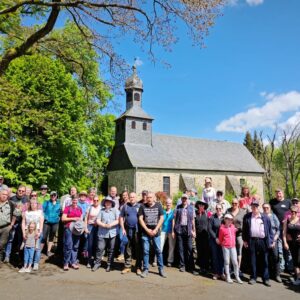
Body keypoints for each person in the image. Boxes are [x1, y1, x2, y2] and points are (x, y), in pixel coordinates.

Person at [242, 200, 274, 287]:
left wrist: (271, 241)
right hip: (252, 240)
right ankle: (253, 277)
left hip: (263, 241)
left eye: (256, 206)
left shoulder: (265, 217)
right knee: (253, 260)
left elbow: (270, 230)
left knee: (265, 260)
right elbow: (244, 230)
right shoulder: (247, 217)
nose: (254, 208)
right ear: (251, 207)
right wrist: (244, 240)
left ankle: (266, 279)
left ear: (258, 207)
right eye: (253, 206)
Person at [138, 192, 166, 278]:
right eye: (148, 197)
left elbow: (162, 218)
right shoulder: (142, 206)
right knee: (146, 251)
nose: (149, 199)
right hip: (145, 233)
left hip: (156, 232)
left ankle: (161, 269)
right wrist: (147, 229)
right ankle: (146, 269)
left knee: (158, 251)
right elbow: (140, 219)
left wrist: (156, 229)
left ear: (154, 198)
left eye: (150, 197)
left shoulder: (158, 205)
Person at [92, 197, 119, 272]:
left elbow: (118, 220)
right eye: (106, 202)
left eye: (109, 202)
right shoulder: (101, 211)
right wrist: (104, 225)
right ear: (104, 203)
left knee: (111, 250)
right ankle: (97, 264)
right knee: (100, 249)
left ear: (111, 203)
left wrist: (110, 224)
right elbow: (97, 220)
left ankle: (109, 265)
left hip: (112, 233)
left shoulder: (115, 210)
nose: (108, 203)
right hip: (102, 233)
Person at [173, 194, 197, 275]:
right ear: (181, 199)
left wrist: (194, 230)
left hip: (188, 230)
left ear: (187, 199)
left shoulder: (191, 208)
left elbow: (193, 220)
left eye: (185, 199)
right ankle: (182, 265)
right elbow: (174, 218)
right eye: (183, 198)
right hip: (179, 229)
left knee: (189, 248)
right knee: (181, 248)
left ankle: (190, 266)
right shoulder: (178, 207)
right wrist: (173, 231)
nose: (184, 200)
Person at [269, 188, 293, 272]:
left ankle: (289, 267)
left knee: (287, 247)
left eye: (280, 193)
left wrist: (287, 218)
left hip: (287, 228)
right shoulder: (272, 201)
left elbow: (291, 212)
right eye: (277, 194)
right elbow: (269, 211)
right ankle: (281, 267)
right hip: (277, 229)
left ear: (283, 193)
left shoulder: (288, 201)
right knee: (280, 248)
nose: (278, 195)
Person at [120, 192, 142, 275]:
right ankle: (127, 266)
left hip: (137, 231)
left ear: (136, 198)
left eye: (133, 197)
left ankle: (138, 267)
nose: (132, 198)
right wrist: (122, 228)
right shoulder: (125, 206)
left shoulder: (140, 206)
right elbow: (121, 217)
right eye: (131, 197)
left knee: (138, 249)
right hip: (127, 230)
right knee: (127, 249)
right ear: (129, 198)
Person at [5, 187, 29, 263]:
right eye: (19, 190)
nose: (21, 192)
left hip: (22, 223)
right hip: (12, 222)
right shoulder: (11, 199)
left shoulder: (26, 200)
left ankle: (20, 257)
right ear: (17, 191)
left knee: (21, 240)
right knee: (10, 239)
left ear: (25, 192)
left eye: (23, 191)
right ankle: (7, 256)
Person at [218, 214, 243, 284]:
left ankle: (237, 276)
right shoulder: (221, 228)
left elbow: (238, 229)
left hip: (233, 247)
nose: (230, 221)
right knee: (227, 262)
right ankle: (228, 276)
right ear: (225, 219)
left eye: (231, 219)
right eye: (228, 219)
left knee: (235, 262)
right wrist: (222, 243)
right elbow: (220, 238)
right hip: (225, 247)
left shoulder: (233, 226)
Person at [21, 197, 44, 271]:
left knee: (37, 248)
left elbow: (41, 222)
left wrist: (40, 232)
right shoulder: (26, 212)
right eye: (31, 203)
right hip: (27, 232)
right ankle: (26, 264)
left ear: (37, 204)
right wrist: (23, 232)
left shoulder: (39, 212)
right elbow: (23, 222)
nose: (33, 205)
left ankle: (36, 263)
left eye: (35, 203)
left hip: (36, 231)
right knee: (26, 248)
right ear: (29, 204)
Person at [61, 197, 83, 271]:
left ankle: (73, 262)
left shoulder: (79, 208)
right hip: (68, 228)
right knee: (68, 246)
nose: (75, 202)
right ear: (71, 201)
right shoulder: (68, 208)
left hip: (77, 229)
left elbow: (81, 218)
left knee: (75, 246)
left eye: (76, 200)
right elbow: (63, 218)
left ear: (78, 201)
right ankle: (66, 263)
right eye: (73, 200)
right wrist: (73, 218)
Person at [262, 203, 281, 283]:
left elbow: (278, 229)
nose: (266, 209)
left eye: (267, 208)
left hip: (273, 239)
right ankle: (267, 274)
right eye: (264, 208)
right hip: (263, 240)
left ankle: (277, 274)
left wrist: (274, 240)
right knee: (266, 257)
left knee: (275, 256)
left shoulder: (273, 216)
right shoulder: (261, 216)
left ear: (270, 208)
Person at [226, 198, 246, 273]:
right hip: (230, 234)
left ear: (238, 204)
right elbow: (224, 220)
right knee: (230, 251)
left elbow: (245, 223)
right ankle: (231, 269)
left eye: (236, 203)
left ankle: (238, 268)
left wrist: (239, 228)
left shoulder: (242, 212)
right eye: (233, 203)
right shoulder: (228, 211)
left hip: (239, 234)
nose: (234, 205)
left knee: (239, 252)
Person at [283, 205, 300, 285]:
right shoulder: (287, 220)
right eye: (292, 212)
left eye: (295, 212)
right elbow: (284, 233)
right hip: (292, 244)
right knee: (295, 261)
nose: (293, 213)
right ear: (290, 212)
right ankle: (298, 278)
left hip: (299, 242)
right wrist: (285, 242)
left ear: (297, 213)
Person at [41, 191, 61, 256]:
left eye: (54, 195)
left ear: (56, 196)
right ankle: (39, 251)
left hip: (55, 222)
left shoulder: (59, 204)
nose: (53, 196)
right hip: (46, 222)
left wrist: (58, 218)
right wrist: (45, 217)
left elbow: (61, 212)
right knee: (43, 237)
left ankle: (48, 251)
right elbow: (42, 211)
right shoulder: (46, 202)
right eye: (52, 195)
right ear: (50, 196)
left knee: (51, 237)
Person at [0, 189, 18, 262]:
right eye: (3, 194)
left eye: (6, 195)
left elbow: (15, 214)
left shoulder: (11, 203)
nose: (4, 196)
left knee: (1, 245)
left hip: (6, 228)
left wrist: (12, 224)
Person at [208, 203, 224, 280]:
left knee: (222, 257)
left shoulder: (224, 218)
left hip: (223, 241)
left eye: (220, 208)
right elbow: (210, 229)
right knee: (215, 257)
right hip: (214, 240)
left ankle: (222, 273)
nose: (218, 210)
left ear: (222, 209)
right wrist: (216, 238)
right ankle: (216, 273)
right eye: (217, 208)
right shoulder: (212, 217)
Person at [85, 195, 101, 268]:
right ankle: (89, 261)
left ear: (99, 201)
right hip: (90, 226)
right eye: (94, 200)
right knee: (90, 245)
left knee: (97, 244)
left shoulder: (101, 208)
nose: (96, 201)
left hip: (98, 227)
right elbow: (86, 217)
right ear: (93, 200)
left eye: (97, 200)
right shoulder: (90, 207)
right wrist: (85, 227)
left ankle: (95, 260)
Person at [195, 200, 210, 273]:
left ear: (204, 206)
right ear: (198, 206)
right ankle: (201, 267)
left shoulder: (207, 214)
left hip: (205, 236)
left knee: (206, 252)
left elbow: (210, 224)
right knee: (199, 251)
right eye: (200, 205)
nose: (201, 206)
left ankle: (206, 267)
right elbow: (193, 224)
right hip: (198, 236)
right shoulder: (195, 213)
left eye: (202, 205)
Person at [160, 198, 175, 268]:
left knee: (171, 247)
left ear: (171, 204)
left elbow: (174, 222)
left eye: (169, 203)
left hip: (171, 232)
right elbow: (160, 221)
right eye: (167, 203)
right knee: (160, 246)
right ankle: (157, 260)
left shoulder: (173, 212)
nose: (168, 204)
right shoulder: (163, 212)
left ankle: (170, 261)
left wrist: (173, 231)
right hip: (163, 230)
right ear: (165, 204)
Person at [116, 190, 129, 262]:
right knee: (121, 238)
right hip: (121, 224)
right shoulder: (121, 203)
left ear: (128, 195)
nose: (124, 196)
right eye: (123, 195)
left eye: (126, 195)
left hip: (127, 224)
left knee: (124, 239)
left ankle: (123, 254)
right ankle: (122, 253)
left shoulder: (129, 203)